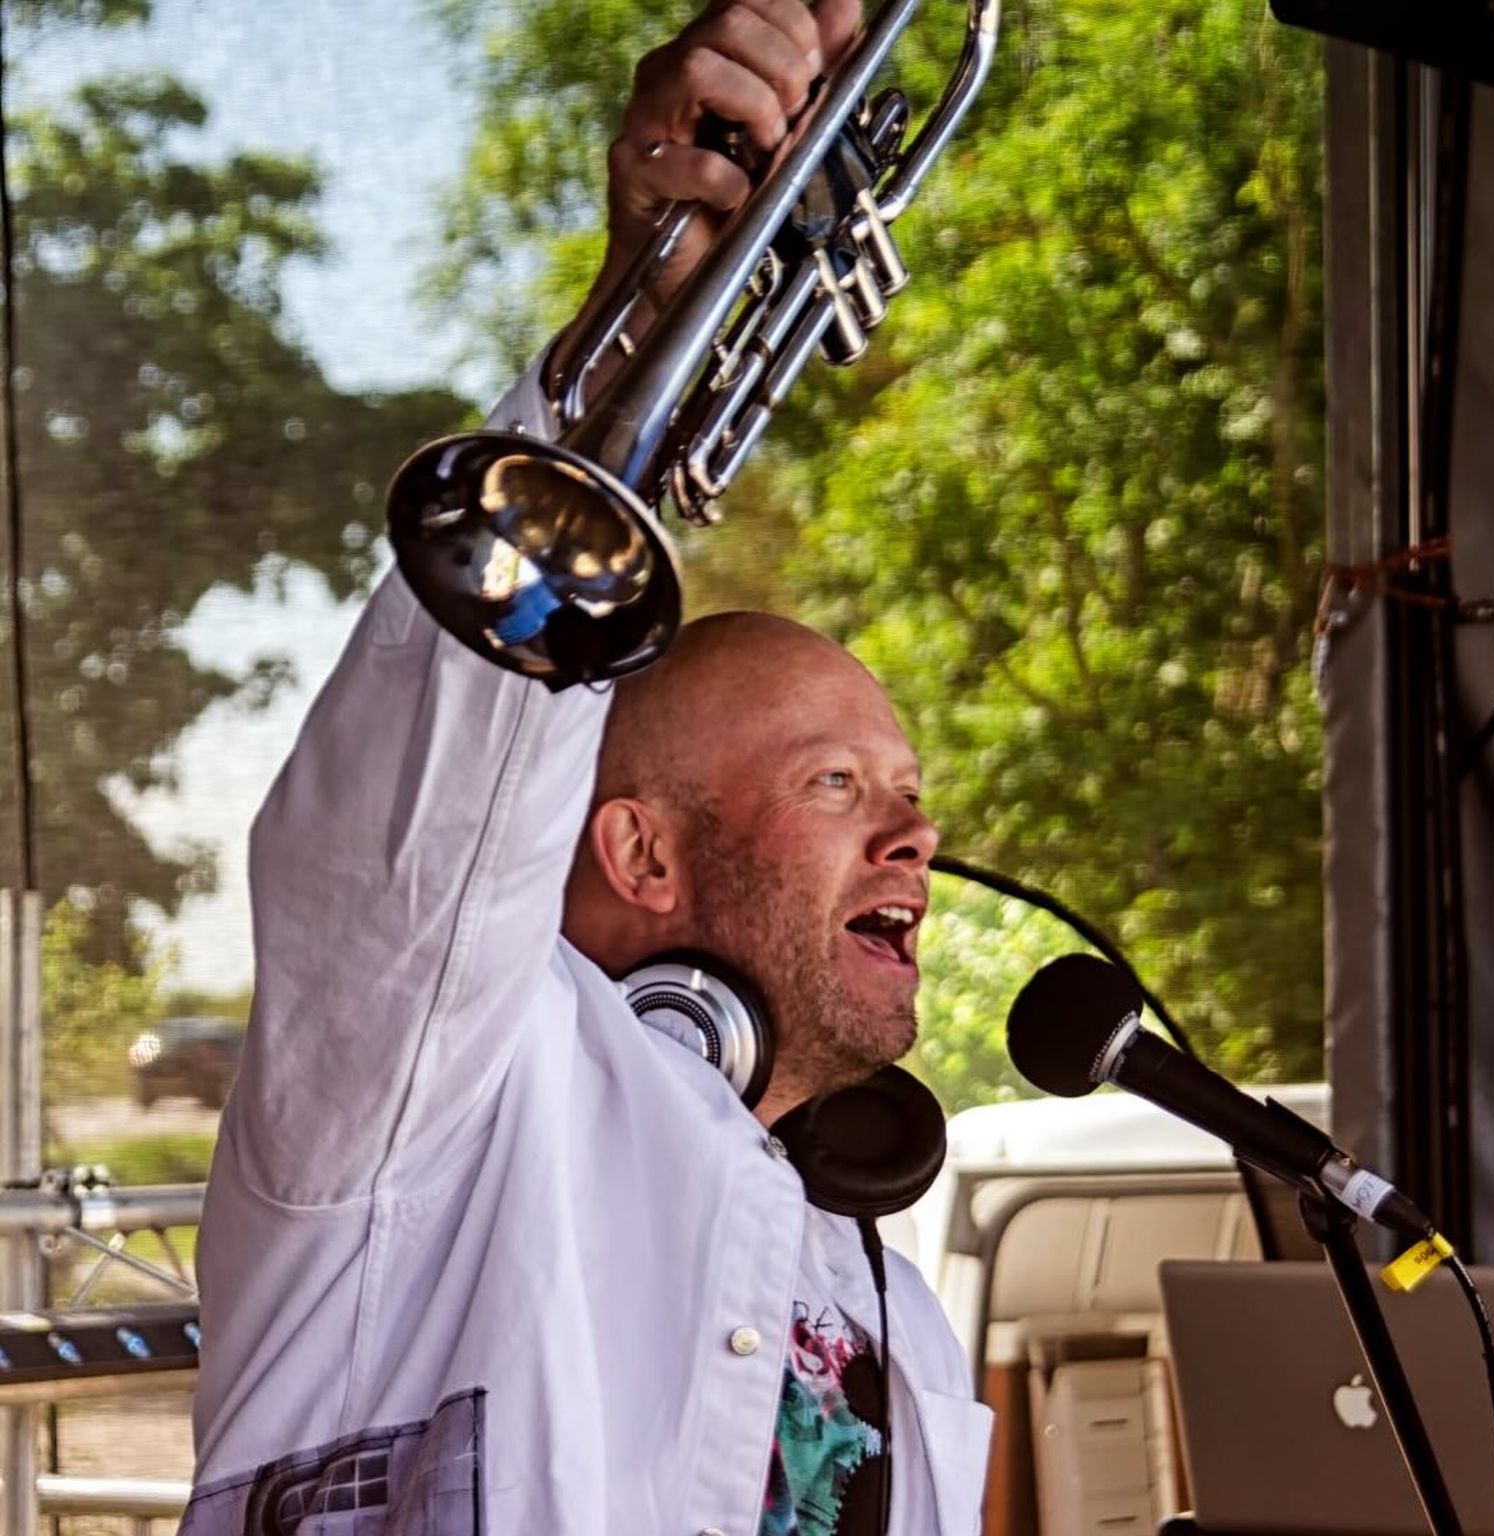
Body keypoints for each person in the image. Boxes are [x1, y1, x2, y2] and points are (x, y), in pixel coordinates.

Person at [181, 2, 994, 1532]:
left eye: (905, 798)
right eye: (834, 785)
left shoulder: (899, 1320)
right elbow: (414, 837)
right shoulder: (426, 1103)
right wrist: (636, 341)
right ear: (640, 853)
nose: (915, 839)